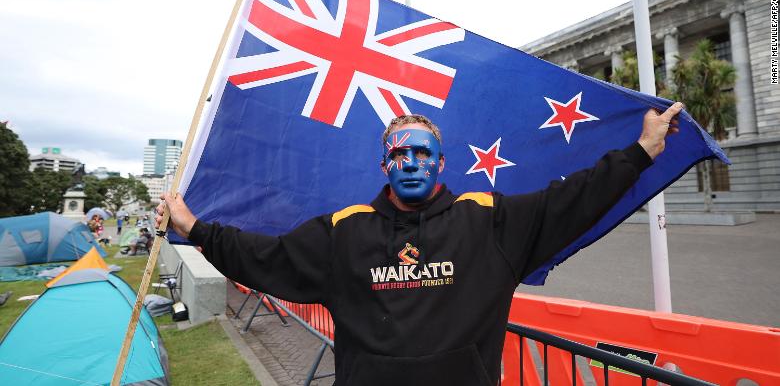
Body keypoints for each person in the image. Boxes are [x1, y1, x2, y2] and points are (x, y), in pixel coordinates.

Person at [157, 103, 683, 386]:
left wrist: (639, 152)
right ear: (385, 163)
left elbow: (573, 199)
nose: (411, 163)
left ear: (440, 162)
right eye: (400, 154)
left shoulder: (488, 221)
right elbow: (262, 256)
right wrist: (196, 228)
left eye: (423, 153)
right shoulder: (344, 231)